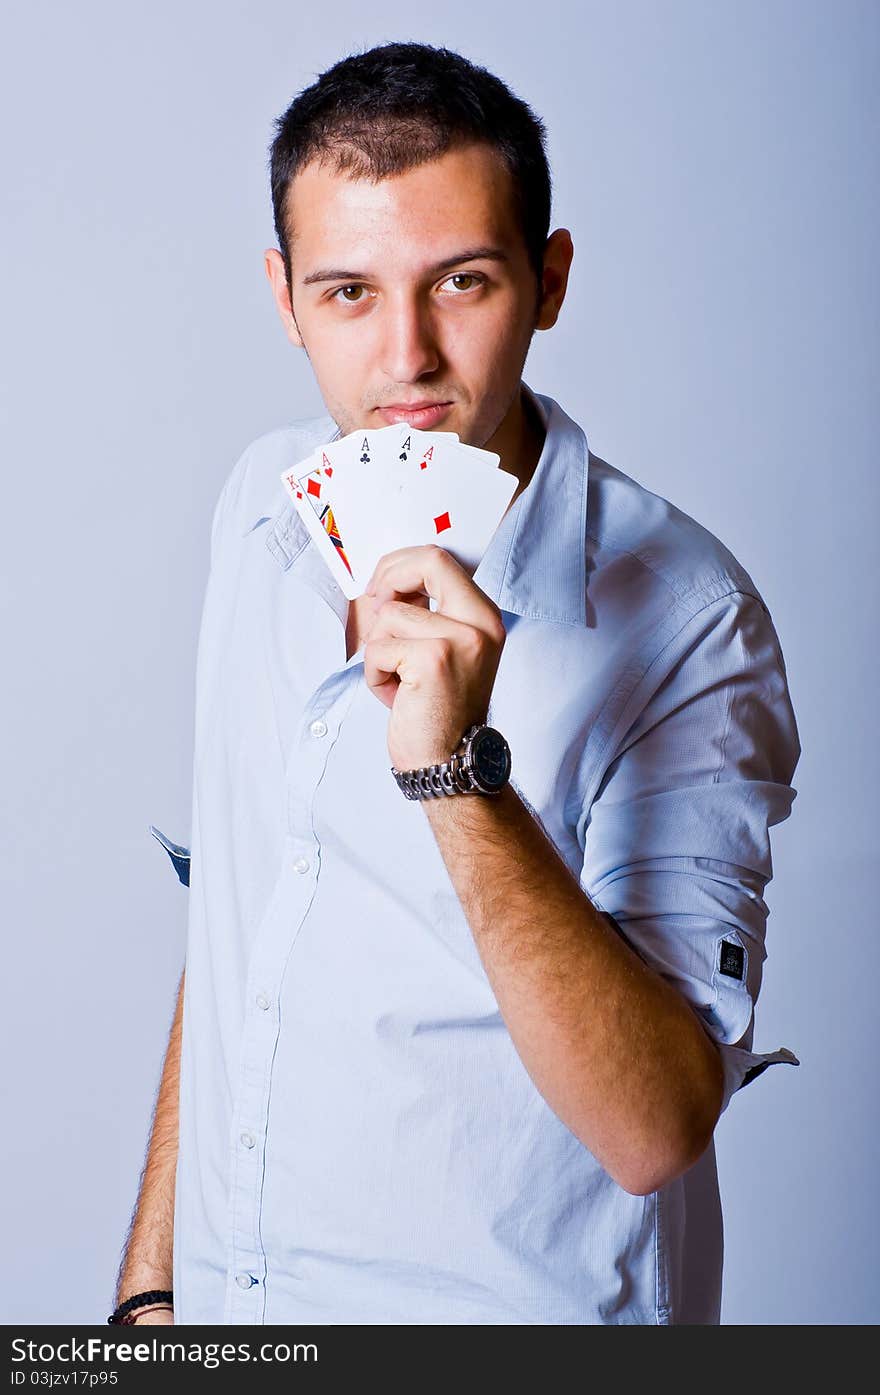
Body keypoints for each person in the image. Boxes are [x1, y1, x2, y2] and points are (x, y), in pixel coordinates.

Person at [112, 40, 801, 1327]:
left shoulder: (689, 621)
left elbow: (656, 1127)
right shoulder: (259, 512)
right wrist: (150, 1292)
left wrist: (455, 777)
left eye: (462, 283)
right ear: (284, 299)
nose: (407, 357)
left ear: (547, 283)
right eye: (348, 294)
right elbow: (241, 921)